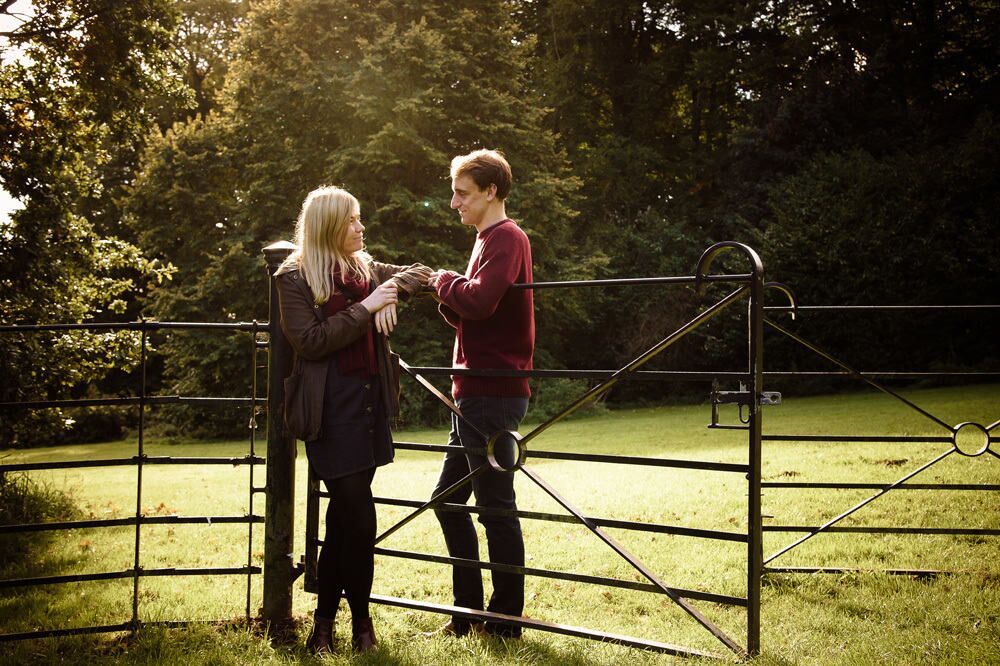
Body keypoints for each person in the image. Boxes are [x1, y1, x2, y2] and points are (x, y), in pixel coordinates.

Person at [275, 185, 430, 654]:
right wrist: (369, 308)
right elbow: (311, 340)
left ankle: (326, 629)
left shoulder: (364, 270)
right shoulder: (294, 277)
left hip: (368, 407)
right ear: (328, 226)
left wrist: (392, 292)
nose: (362, 228)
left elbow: (422, 272)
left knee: (346, 520)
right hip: (328, 413)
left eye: (361, 219)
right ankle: (359, 624)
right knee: (358, 519)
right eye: (353, 221)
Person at [425, 149, 534, 639]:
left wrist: (440, 280)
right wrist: (449, 293)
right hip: (472, 391)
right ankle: (467, 615)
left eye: (462, 193)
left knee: (495, 507)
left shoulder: (507, 238)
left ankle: (505, 620)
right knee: (448, 501)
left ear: (491, 191)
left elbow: (481, 300)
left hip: (491, 392)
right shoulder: (486, 239)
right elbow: (475, 311)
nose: (454, 203)